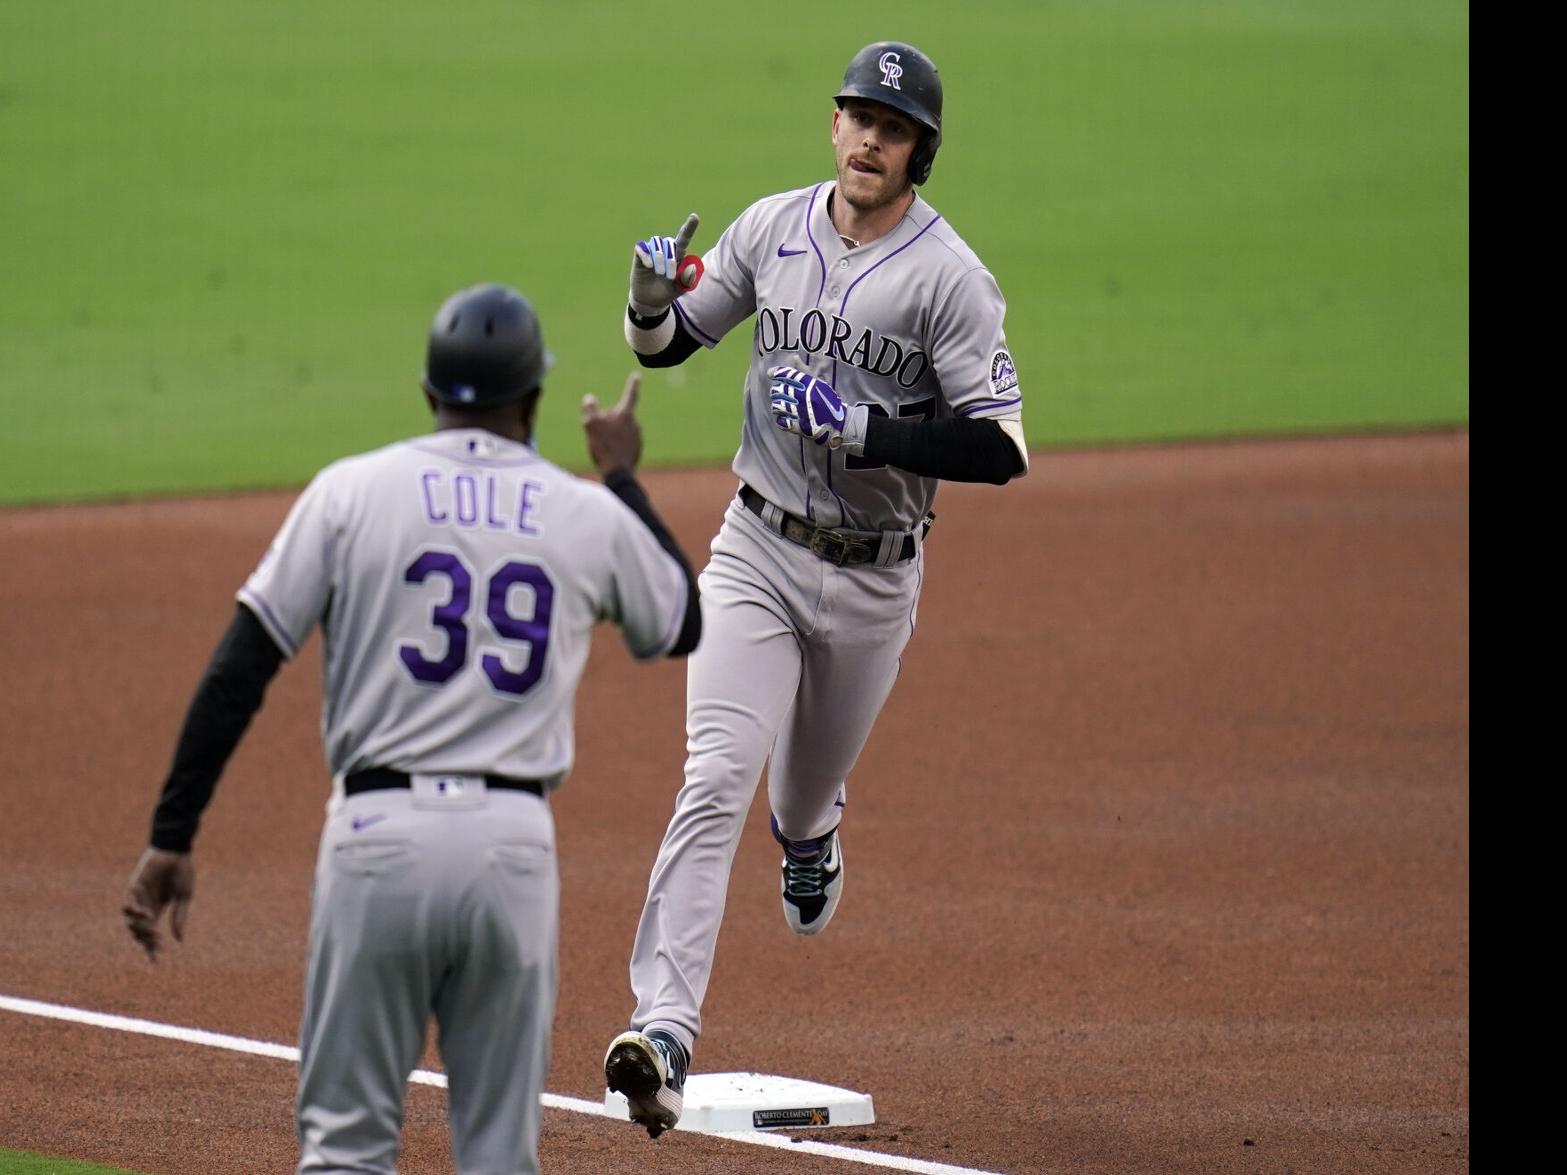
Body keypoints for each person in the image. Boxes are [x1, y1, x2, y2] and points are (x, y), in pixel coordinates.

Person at [121, 282, 703, 1175]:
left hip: (374, 842)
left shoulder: (349, 492)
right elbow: (683, 620)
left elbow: (241, 664)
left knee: (347, 1150)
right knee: (498, 1157)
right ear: (534, 399)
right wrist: (620, 472)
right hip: (511, 854)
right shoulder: (578, 511)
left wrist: (172, 833)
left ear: (429, 394)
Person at [601, 40, 1029, 1138]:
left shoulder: (949, 278)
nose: (869, 139)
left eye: (891, 127)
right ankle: (662, 1029)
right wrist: (646, 304)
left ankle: (812, 836)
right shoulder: (771, 227)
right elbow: (668, 345)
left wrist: (867, 428)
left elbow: (998, 448)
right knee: (713, 777)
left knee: (794, 799)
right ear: (833, 125)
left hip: (875, 581)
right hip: (756, 550)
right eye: (856, 117)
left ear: (919, 150)